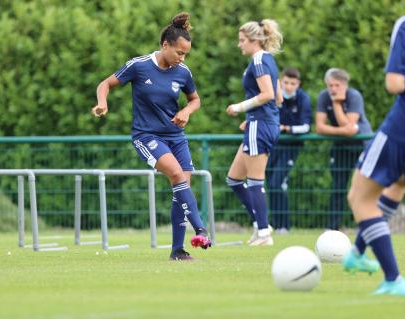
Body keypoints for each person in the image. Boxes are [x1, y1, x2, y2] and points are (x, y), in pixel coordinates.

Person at [92, 12, 211, 261]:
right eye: (179, 52)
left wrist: (187, 111)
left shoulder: (183, 72)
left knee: (182, 188)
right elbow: (105, 84)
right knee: (178, 176)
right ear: (165, 45)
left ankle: (178, 251)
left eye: (186, 54)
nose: (182, 58)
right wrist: (102, 103)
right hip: (146, 136)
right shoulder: (139, 65)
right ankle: (201, 228)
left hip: (176, 136)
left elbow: (195, 100)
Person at [342, 0, 405, 296]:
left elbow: (394, 83)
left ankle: (394, 280)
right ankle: (357, 252)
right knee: (399, 181)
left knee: (360, 196)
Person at [225, 19, 282, 246]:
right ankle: (261, 226)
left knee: (255, 181)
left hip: (260, 125)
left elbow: (268, 94)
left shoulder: (258, 60)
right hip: (260, 123)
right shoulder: (268, 60)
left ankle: (264, 234)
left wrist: (240, 108)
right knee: (234, 179)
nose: (239, 45)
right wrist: (252, 118)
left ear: (254, 40)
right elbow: (278, 98)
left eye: (242, 41)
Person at [315, 68, 373, 230]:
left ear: (345, 85)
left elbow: (347, 124)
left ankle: (366, 226)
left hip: (361, 146)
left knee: (362, 189)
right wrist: (345, 132)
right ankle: (332, 229)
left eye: (337, 85)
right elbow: (320, 127)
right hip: (340, 148)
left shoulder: (354, 96)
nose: (333, 89)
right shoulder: (323, 96)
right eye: (330, 85)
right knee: (337, 188)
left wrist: (336, 104)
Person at [266, 67, 312, 234]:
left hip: (290, 148)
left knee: (277, 183)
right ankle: (274, 224)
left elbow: (306, 127)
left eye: (293, 83)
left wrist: (286, 128)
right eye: (286, 82)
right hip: (272, 145)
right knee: (271, 185)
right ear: (281, 82)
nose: (289, 86)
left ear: (298, 84)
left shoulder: (303, 99)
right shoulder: (272, 95)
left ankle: (283, 226)